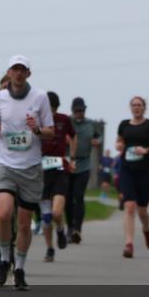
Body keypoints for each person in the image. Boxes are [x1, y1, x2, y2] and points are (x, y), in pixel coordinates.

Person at [0, 56, 54, 290]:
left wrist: (36, 128)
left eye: (22, 69)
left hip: (31, 167)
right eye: (14, 69)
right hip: (5, 164)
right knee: (4, 214)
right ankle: (5, 260)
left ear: (28, 73)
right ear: (8, 72)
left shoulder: (40, 97)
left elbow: (50, 131)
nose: (18, 73)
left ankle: (20, 268)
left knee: (24, 223)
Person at [116, 97, 149, 258]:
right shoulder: (124, 124)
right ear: (130, 108)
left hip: (145, 171)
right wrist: (119, 146)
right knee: (129, 206)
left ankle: (146, 230)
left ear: (144, 108)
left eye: (139, 105)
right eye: (134, 105)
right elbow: (118, 142)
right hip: (127, 170)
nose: (136, 108)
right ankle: (129, 244)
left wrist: (147, 150)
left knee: (142, 210)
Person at [39, 91, 77, 263]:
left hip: (60, 169)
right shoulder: (37, 120)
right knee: (46, 216)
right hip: (41, 171)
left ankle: (60, 229)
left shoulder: (64, 119)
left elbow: (74, 137)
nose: (51, 113)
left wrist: (73, 158)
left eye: (53, 109)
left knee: (56, 212)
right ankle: (49, 248)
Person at [66, 97, 102, 243]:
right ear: (72, 110)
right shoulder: (67, 122)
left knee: (78, 196)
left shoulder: (91, 124)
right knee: (67, 198)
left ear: (84, 110)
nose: (78, 113)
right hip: (68, 163)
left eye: (81, 110)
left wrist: (97, 141)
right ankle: (69, 227)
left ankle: (77, 230)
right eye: (76, 110)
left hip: (84, 164)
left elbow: (99, 136)